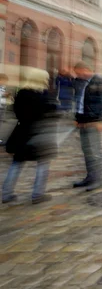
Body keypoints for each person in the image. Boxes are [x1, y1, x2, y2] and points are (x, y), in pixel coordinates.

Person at [2, 68, 57, 204]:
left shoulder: (20, 93)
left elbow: (16, 112)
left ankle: (6, 194)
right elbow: (47, 111)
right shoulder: (42, 95)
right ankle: (37, 194)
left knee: (17, 163)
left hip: (21, 132)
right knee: (42, 164)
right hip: (39, 133)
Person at [73, 61, 102, 192]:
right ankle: (90, 177)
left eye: (78, 72)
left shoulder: (99, 81)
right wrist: (78, 118)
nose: (77, 75)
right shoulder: (84, 83)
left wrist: (100, 121)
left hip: (93, 122)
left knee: (95, 152)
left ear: (85, 69)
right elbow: (81, 102)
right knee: (87, 152)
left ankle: (98, 180)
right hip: (84, 121)